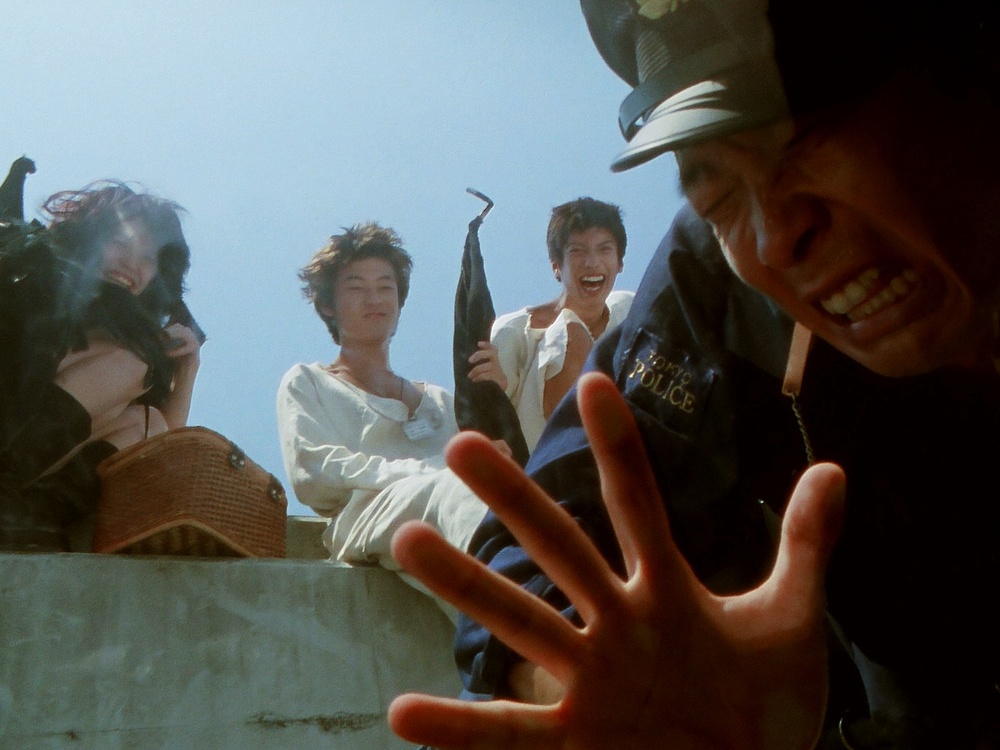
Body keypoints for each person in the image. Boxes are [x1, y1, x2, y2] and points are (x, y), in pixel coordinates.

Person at [387, 1, 1000, 748]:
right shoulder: (717, 282)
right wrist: (590, 684)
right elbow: (552, 533)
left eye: (806, 135)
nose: (776, 237)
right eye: (717, 195)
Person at [275, 222, 495, 616]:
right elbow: (314, 474)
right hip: (366, 518)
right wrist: (430, 473)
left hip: (447, 516)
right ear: (328, 305)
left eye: (386, 286)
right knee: (458, 492)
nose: (373, 298)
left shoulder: (442, 400)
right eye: (356, 286)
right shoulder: (308, 381)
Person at [1, 180, 203, 552]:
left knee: (148, 423)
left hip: (22, 496)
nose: (131, 264)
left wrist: (188, 366)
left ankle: (35, 515)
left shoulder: (129, 342)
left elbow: (161, 451)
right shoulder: (37, 284)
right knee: (134, 360)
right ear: (89, 240)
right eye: (120, 244)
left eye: (148, 258)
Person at [467, 197, 633, 452]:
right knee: (571, 330)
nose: (592, 262)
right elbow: (496, 415)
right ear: (557, 267)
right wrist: (498, 385)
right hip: (548, 460)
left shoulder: (628, 309)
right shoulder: (514, 330)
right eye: (577, 251)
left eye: (604, 250)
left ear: (619, 262)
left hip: (629, 445)